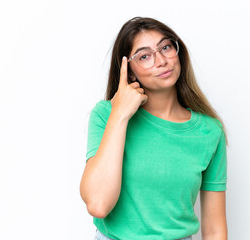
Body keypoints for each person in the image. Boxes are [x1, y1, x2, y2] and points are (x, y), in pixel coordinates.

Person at [80, 16, 228, 240]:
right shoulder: (106, 115)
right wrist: (120, 114)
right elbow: (98, 204)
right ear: (129, 71)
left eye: (166, 47)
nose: (161, 61)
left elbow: (215, 230)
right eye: (145, 56)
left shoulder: (209, 132)